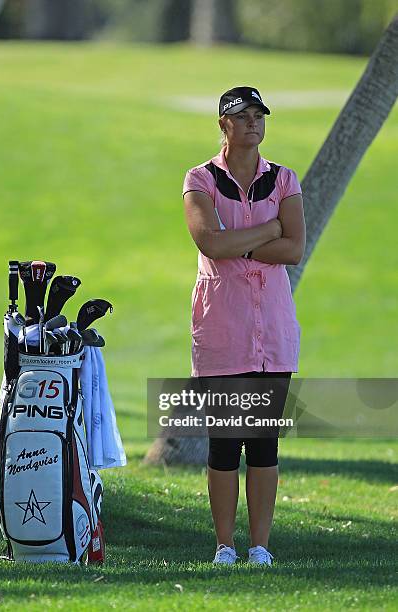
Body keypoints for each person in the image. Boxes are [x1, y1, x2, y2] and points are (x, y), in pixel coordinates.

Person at [182, 86, 306, 566]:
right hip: (222, 328)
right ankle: (224, 546)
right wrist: (268, 231)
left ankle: (259, 547)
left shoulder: (284, 179)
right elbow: (210, 242)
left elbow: (293, 249)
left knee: (263, 443)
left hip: (272, 331)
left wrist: (243, 243)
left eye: (259, 115)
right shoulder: (201, 179)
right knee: (225, 443)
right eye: (243, 116)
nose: (253, 123)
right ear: (223, 124)